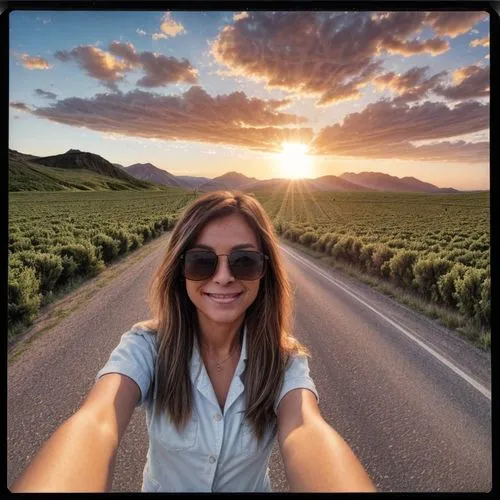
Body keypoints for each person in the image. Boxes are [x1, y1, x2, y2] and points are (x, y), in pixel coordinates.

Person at [9, 190, 377, 493]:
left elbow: (305, 429)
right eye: (202, 261)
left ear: (265, 272)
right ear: (179, 270)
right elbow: (97, 421)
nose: (223, 277)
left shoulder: (284, 361)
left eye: (244, 261)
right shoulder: (147, 346)